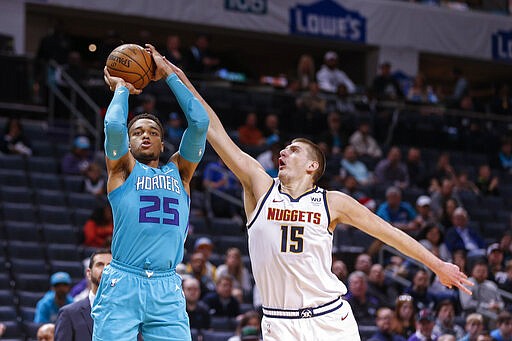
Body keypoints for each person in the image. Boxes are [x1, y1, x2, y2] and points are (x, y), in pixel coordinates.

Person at [162, 56, 472, 341]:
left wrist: (437, 265)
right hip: (278, 323)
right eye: (284, 149)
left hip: (329, 319)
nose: (283, 152)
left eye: (293, 150)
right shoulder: (260, 186)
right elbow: (213, 130)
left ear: (313, 166)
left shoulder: (333, 202)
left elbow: (388, 234)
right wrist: (178, 79)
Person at [93, 44, 209, 340]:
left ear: (162, 143)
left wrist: (168, 74)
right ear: (129, 143)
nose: (146, 135)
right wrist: (122, 88)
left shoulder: (180, 172)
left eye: (153, 132)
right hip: (123, 281)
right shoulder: (122, 170)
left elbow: (200, 123)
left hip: (166, 286)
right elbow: (113, 124)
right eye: (138, 132)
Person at [54, 250, 112, 341]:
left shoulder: (129, 313)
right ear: (88, 273)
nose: (105, 269)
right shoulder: (69, 314)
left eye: (110, 265)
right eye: (100, 264)